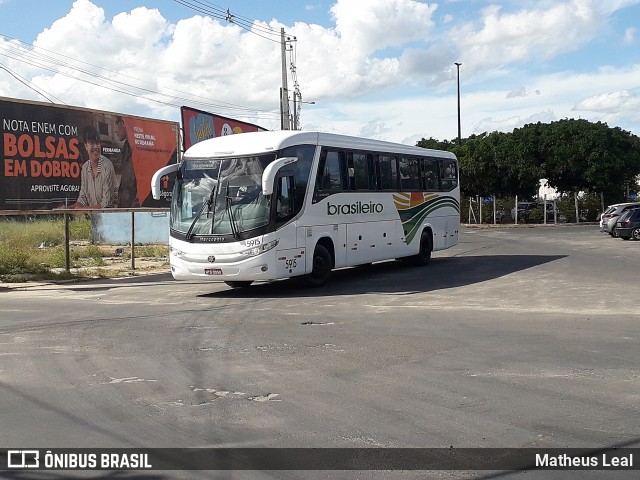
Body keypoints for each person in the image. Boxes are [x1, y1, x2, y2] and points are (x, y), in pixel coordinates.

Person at [68, 125, 116, 209]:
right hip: (93, 218)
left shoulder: (107, 166)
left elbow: (106, 204)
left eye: (97, 143)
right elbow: (82, 199)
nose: (96, 147)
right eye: (92, 143)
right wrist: (67, 208)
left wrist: (82, 209)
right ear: (86, 146)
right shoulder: (85, 168)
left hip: (109, 218)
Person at [114, 116, 139, 207]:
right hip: (125, 209)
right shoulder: (126, 147)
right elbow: (125, 180)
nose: (115, 131)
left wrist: (134, 209)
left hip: (134, 211)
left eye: (115, 124)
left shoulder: (138, 147)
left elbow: (141, 182)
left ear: (123, 123)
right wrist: (119, 204)